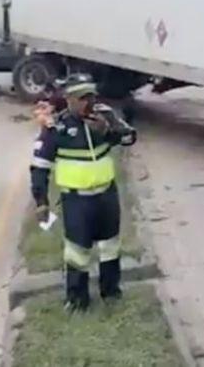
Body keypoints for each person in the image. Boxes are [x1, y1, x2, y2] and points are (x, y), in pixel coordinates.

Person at [29, 77, 136, 311]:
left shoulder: (105, 117)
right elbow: (39, 166)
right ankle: (77, 300)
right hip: (76, 200)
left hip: (106, 195)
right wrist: (41, 201)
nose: (90, 102)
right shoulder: (56, 128)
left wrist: (108, 132)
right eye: (83, 98)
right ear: (69, 101)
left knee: (110, 246)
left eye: (92, 96)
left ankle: (111, 292)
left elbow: (130, 137)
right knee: (77, 251)